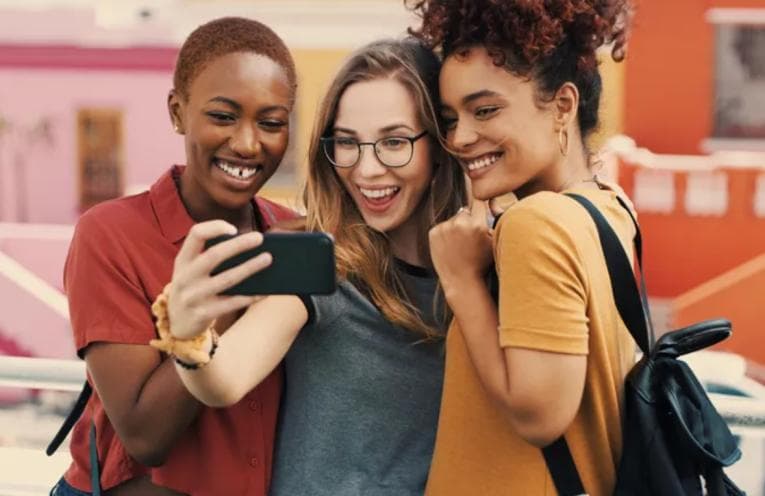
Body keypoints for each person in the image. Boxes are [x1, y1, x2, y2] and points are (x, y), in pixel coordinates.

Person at [162, 38, 467, 495]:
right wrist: (187, 334)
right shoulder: (324, 267)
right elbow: (224, 381)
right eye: (347, 143)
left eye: (394, 142)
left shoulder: (477, 274)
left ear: (439, 145)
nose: (367, 169)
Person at [52, 17, 299, 496]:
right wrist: (234, 294)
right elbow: (145, 438)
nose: (248, 143)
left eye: (271, 123)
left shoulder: (293, 236)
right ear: (178, 112)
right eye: (223, 116)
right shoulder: (109, 235)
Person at [407, 1, 637, 494]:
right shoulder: (611, 209)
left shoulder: (537, 223)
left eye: (485, 110)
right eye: (450, 118)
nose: (460, 137)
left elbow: (539, 416)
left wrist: (463, 280)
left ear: (563, 105)